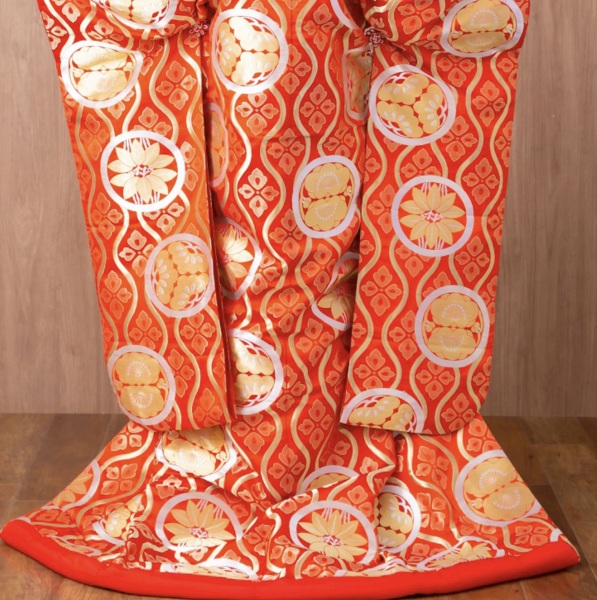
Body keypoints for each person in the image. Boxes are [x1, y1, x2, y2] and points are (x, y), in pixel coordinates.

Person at [0, 0, 581, 598]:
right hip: (232, 37)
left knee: (330, 246)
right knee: (244, 247)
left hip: (339, 33)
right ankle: (247, 460)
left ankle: (339, 455)